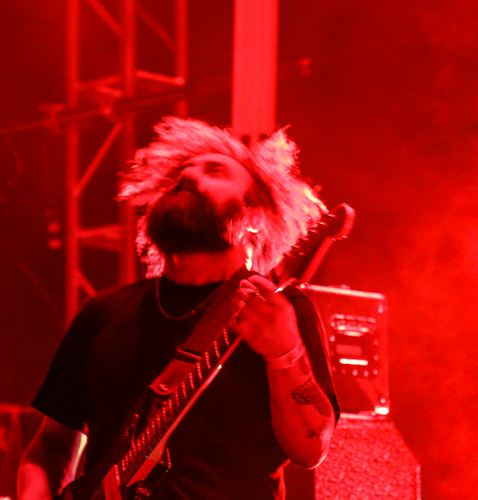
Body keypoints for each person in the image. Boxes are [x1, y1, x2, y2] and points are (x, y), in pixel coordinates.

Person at [17, 117, 341, 500]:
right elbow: (49, 448)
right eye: (178, 175)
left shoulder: (282, 310)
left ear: (253, 218)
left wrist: (285, 354)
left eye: (214, 171)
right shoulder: (102, 313)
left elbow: (311, 449)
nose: (187, 176)